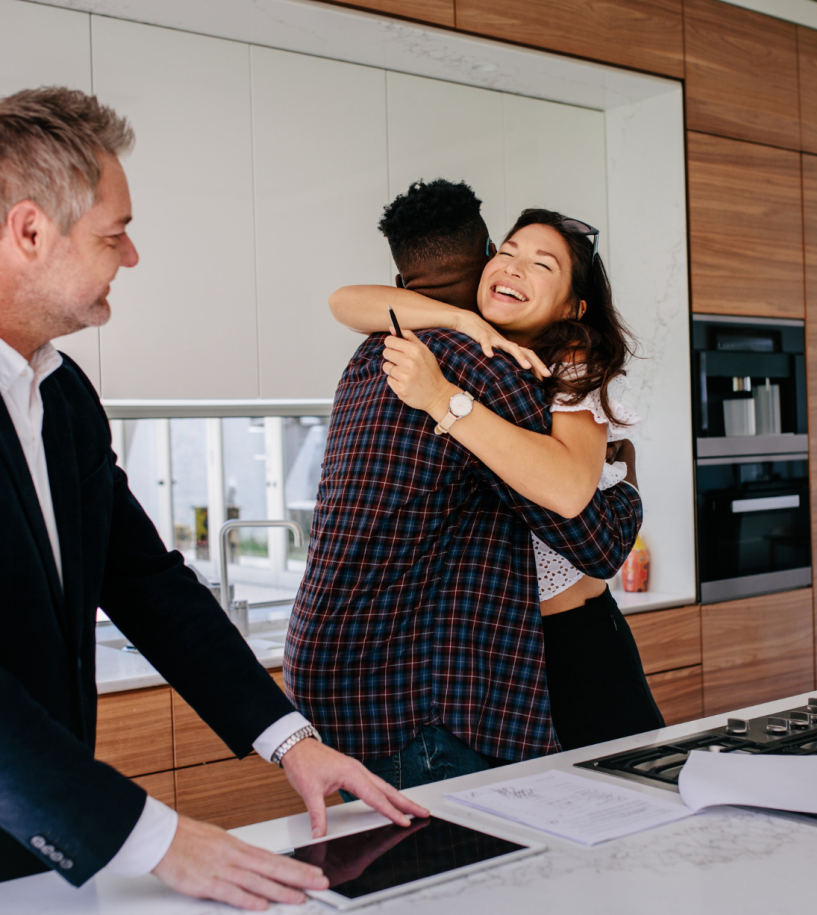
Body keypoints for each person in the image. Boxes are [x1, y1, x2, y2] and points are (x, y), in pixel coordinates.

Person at [0, 87, 426, 907]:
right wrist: (155, 836)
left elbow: (147, 583)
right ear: (28, 231)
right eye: (114, 234)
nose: (131, 258)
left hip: (39, 861)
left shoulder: (63, 399)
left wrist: (291, 740)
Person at [285, 180, 644, 792]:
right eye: (507, 251)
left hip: (332, 678)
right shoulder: (488, 370)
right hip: (418, 700)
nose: (513, 267)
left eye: (541, 264)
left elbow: (346, 302)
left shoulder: (379, 352)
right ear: (483, 257)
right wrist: (625, 488)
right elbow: (600, 541)